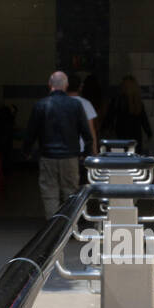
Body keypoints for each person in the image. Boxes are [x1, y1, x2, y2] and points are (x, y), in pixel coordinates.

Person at [22, 70, 92, 218]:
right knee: (71, 194)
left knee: (50, 194)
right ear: (66, 85)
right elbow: (86, 133)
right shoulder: (76, 105)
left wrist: (26, 150)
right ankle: (68, 227)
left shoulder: (41, 105)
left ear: (49, 85)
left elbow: (31, 132)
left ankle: (52, 230)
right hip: (70, 157)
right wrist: (86, 153)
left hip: (48, 156)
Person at [104, 75, 153, 152]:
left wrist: (104, 129)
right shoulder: (137, 102)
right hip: (136, 135)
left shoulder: (118, 101)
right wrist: (149, 133)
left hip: (121, 134)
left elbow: (109, 117)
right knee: (135, 157)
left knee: (123, 158)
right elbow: (144, 119)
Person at [67, 73, 98, 158]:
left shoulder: (59, 104)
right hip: (82, 148)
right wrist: (94, 150)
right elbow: (91, 129)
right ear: (81, 87)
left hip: (64, 149)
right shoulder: (86, 104)